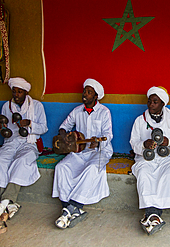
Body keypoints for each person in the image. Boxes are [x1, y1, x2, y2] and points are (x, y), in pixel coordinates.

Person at [52, 78, 113, 229]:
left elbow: (108, 134)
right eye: (85, 91)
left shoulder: (104, 112)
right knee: (62, 167)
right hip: (80, 151)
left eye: (89, 92)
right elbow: (64, 126)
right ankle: (70, 208)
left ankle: (72, 207)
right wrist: (64, 135)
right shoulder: (77, 110)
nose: (85, 94)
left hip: (100, 151)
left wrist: (98, 142)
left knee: (92, 169)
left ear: (96, 96)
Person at [130, 86, 170, 235]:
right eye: (149, 101)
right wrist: (144, 144)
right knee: (144, 174)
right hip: (145, 158)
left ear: (163, 104)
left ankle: (150, 215)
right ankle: (154, 216)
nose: (151, 104)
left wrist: (169, 142)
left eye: (155, 102)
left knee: (168, 176)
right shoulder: (140, 120)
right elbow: (133, 141)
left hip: (166, 158)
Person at [0, 77, 48, 219]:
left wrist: (30, 124)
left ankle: (3, 203)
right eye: (14, 91)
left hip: (29, 142)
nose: (16, 95)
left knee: (21, 162)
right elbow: (7, 129)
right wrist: (2, 127)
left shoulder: (37, 106)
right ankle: (9, 203)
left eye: (19, 92)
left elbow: (44, 128)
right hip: (11, 142)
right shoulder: (6, 106)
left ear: (26, 92)